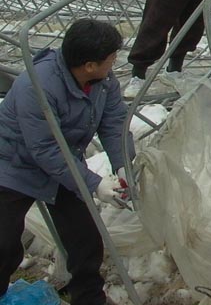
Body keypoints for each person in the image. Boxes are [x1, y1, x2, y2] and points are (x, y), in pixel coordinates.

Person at [0, 19, 133, 305]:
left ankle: (89, 299)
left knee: (84, 238)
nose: (114, 62)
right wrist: (95, 184)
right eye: (110, 59)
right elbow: (45, 148)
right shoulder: (37, 86)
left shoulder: (103, 82)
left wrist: (124, 164)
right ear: (88, 65)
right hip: (12, 165)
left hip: (62, 166)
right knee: (3, 243)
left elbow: (114, 123)